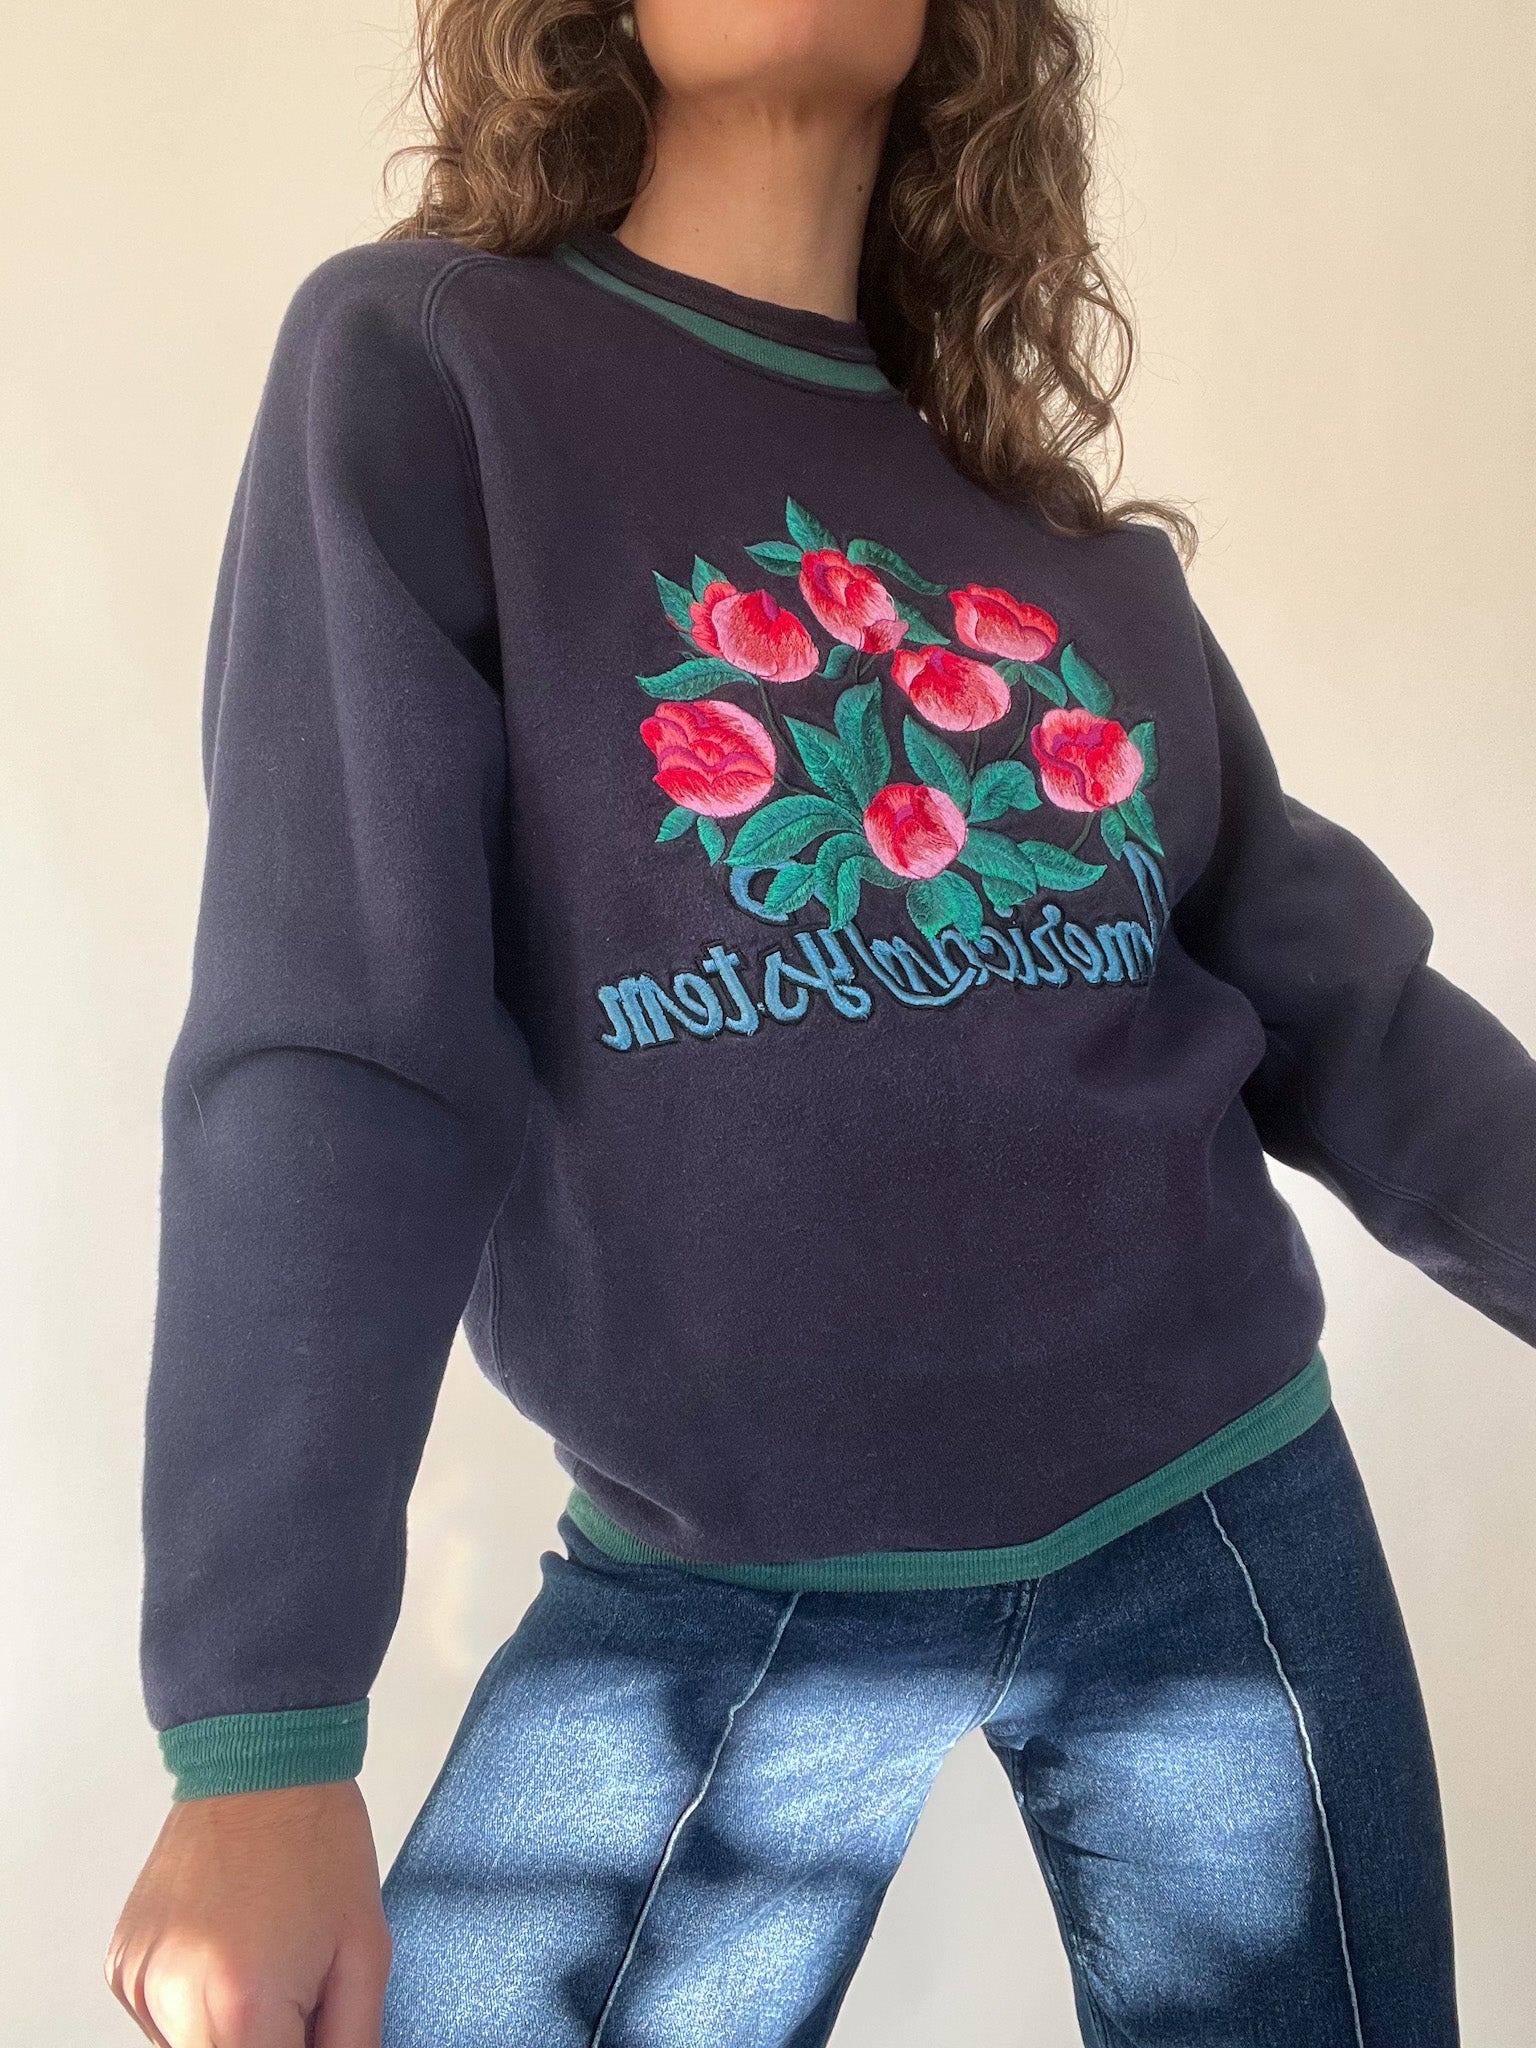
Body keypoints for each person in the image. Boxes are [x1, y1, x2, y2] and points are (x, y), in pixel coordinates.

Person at [106, 1, 1534, 2042]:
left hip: (1221, 1513)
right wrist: (260, 1728)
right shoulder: (429, 370)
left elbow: (1359, 1020)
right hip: (721, 1576)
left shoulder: (1071, 554)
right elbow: (340, 1049)